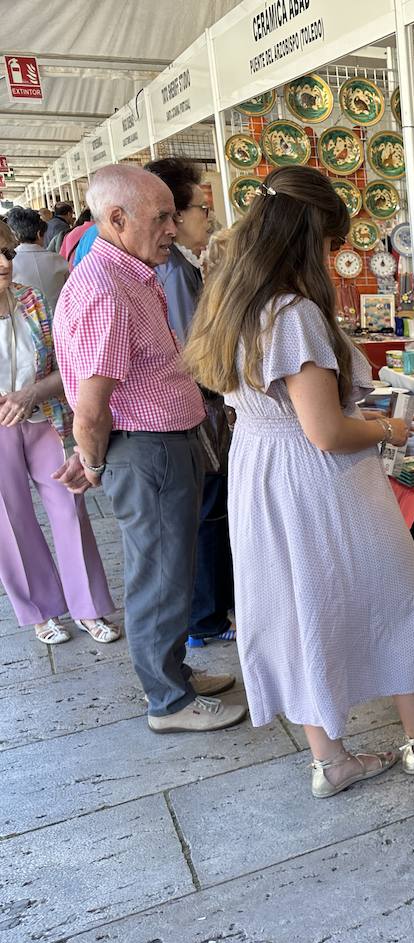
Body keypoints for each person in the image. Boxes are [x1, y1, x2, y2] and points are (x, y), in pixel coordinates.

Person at [182, 166, 414, 798]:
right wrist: (383, 431)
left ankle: (332, 758)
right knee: (398, 590)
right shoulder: (293, 313)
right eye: (328, 245)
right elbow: (324, 430)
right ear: (305, 238)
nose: (331, 258)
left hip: (262, 468)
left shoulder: (235, 298)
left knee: (298, 607)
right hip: (315, 477)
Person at [52, 164, 244, 734]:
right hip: (150, 452)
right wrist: (92, 461)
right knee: (158, 576)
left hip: (158, 446)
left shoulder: (130, 275)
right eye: (161, 216)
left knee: (170, 571)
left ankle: (174, 675)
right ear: (116, 219)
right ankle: (168, 700)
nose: (171, 226)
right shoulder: (107, 288)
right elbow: (90, 407)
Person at [0, 219, 120, 645]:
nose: (4, 262)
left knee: (70, 505)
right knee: (10, 522)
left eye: (9, 253)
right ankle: (39, 611)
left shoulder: (30, 300)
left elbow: (63, 368)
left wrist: (30, 393)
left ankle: (89, 607)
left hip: (44, 417)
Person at [144, 157, 234, 648]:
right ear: (174, 217)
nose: (208, 219)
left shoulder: (177, 266)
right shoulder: (176, 273)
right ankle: (206, 617)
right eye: (202, 209)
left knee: (202, 513)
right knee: (206, 514)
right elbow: (193, 355)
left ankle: (207, 615)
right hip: (195, 413)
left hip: (191, 412)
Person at [6, 207, 69, 306]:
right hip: (58, 316)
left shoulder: (9, 263)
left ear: (16, 236)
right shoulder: (58, 260)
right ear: (39, 234)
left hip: (27, 318)